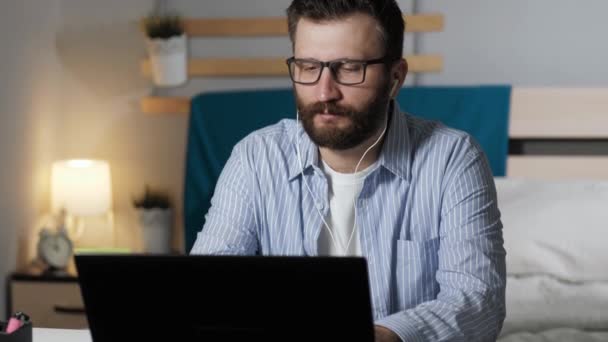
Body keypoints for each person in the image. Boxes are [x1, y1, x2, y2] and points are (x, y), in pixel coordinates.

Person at [190, 0, 506, 340]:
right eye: (308, 67)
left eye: (350, 68)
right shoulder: (255, 158)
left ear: (395, 77)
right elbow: (206, 289)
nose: (325, 92)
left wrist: (379, 338)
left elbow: (477, 301)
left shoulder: (453, 160)